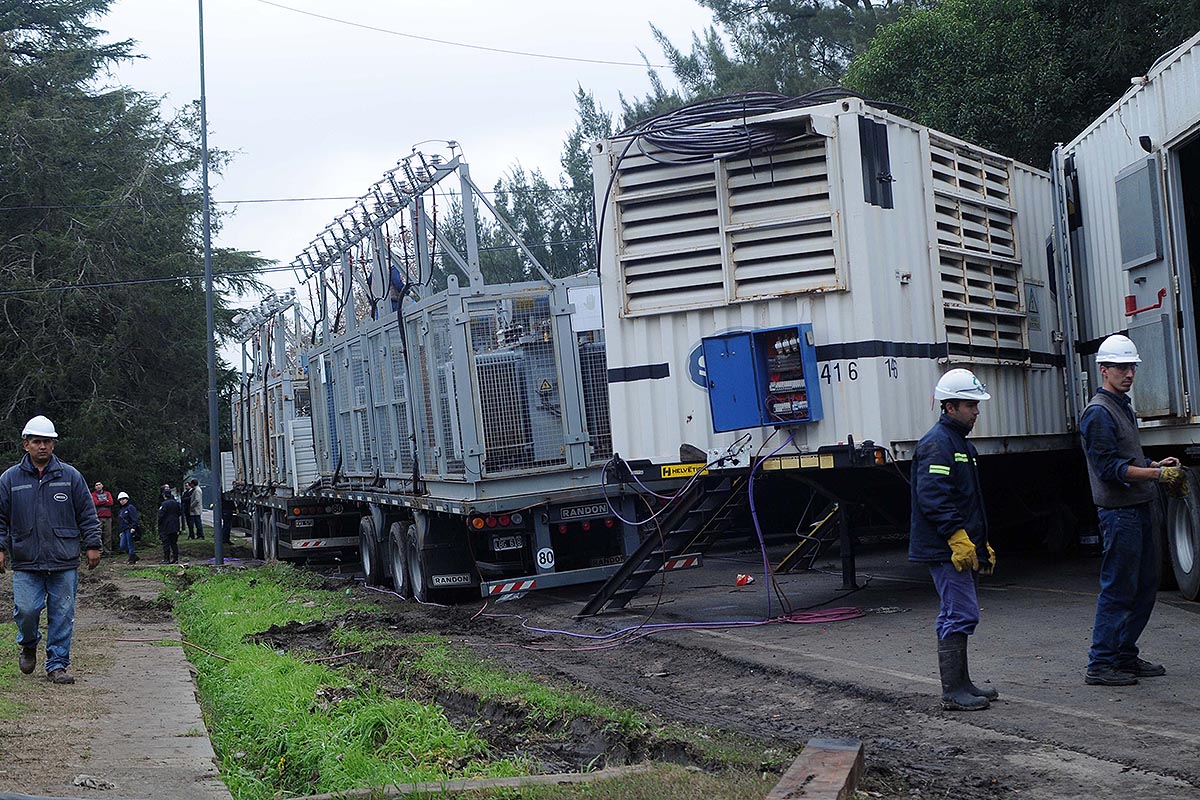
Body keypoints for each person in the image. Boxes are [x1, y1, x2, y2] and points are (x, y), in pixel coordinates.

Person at [1080, 334, 1187, 686]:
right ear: (1103, 369)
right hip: (1119, 513)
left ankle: (1124, 655)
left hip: (1138, 507)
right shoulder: (1098, 413)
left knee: (1144, 586)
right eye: (1121, 367)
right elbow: (1110, 469)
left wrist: (1154, 464)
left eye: (1132, 367)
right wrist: (1157, 475)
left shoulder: (1122, 405)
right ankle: (1101, 663)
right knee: (1119, 588)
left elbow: (1128, 458)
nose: (1129, 374)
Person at [909, 369, 997, 711]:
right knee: (960, 613)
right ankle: (953, 692)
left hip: (959, 546)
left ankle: (962, 683)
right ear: (950, 407)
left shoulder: (961, 445)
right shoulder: (938, 444)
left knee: (956, 613)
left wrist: (980, 542)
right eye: (970, 405)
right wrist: (957, 537)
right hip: (945, 548)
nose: (976, 412)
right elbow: (933, 497)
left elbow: (967, 501)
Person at [0, 415, 101, 685]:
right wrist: (0, 548)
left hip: (63, 558)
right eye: (37, 441)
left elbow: (87, 513)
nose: (42, 446)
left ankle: (57, 665)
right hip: (26, 559)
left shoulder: (70, 476)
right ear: (26, 444)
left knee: (62, 614)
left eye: (47, 441)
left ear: (54, 444)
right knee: (26, 610)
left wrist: (93, 544)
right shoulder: (10, 479)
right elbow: (0, 517)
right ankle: (28, 643)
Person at [157, 487, 183, 563]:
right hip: (175, 525)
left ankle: (166, 559)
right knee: (174, 543)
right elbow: (180, 512)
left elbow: (161, 515)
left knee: (166, 543)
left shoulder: (164, 504)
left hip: (166, 526)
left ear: (164, 495)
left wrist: (159, 524)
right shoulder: (176, 503)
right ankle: (175, 558)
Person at [91, 481, 116, 554]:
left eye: (99, 484)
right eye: (96, 485)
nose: (98, 486)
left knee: (108, 534)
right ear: (95, 487)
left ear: (102, 486)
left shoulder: (107, 493)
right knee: (98, 534)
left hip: (108, 517)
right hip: (98, 517)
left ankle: (108, 551)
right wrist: (105, 501)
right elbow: (95, 503)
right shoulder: (93, 494)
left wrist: (101, 501)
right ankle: (99, 551)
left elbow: (111, 502)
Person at [116, 491, 140, 565]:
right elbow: (120, 521)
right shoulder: (121, 510)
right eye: (120, 500)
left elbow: (134, 518)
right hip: (123, 529)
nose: (122, 501)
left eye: (123, 499)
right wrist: (120, 531)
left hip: (130, 528)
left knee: (130, 544)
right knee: (122, 545)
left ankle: (131, 559)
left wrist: (133, 527)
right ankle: (133, 556)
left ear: (127, 499)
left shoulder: (130, 507)